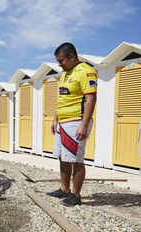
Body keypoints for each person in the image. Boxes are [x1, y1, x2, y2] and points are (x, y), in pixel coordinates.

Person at [47, 42, 97, 206]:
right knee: (63, 157)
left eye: (61, 61)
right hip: (63, 122)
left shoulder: (86, 72)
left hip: (76, 121)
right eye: (58, 61)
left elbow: (91, 98)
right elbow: (62, 99)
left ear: (72, 57)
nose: (59, 64)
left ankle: (76, 195)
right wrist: (56, 119)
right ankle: (64, 190)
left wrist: (83, 124)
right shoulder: (65, 74)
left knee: (76, 159)